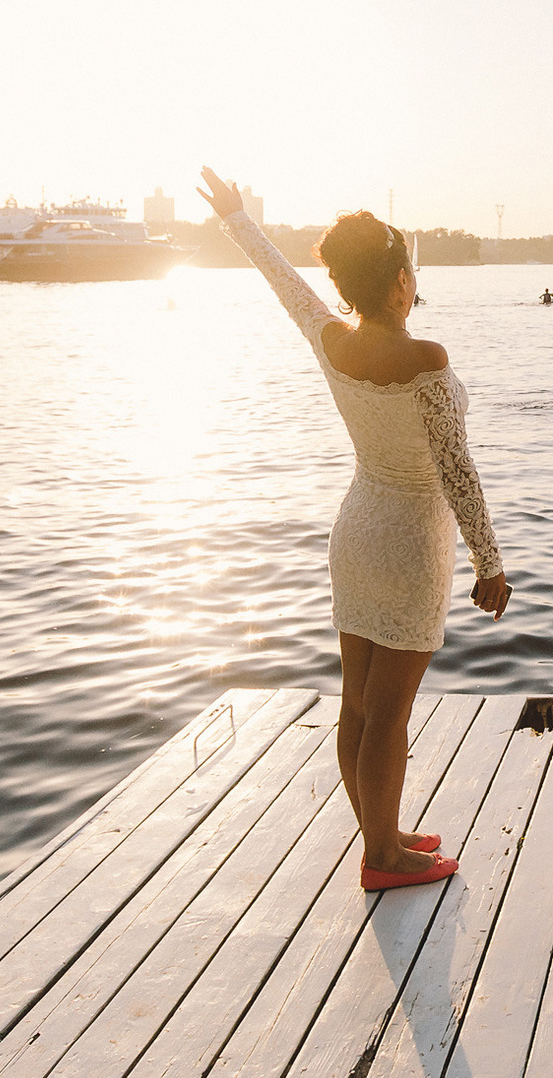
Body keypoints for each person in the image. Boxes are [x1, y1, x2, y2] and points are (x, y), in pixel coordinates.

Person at [198, 166, 511, 893]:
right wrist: (488, 562)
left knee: (359, 703)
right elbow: (457, 472)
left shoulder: (333, 340)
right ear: (400, 281)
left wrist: (238, 219)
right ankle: (384, 857)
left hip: (356, 531)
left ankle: (381, 833)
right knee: (390, 715)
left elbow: (285, 285)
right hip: (410, 543)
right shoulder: (425, 359)